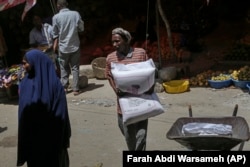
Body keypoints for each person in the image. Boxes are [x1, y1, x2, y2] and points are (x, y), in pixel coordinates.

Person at [17, 49, 71, 167]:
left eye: (25, 63)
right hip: (32, 142)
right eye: (23, 63)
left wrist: (51, 140)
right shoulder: (25, 83)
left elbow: (60, 116)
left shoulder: (55, 86)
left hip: (52, 142)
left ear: (36, 63)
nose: (23, 66)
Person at [105, 27, 154, 151]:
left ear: (126, 40)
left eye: (117, 41)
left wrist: (150, 87)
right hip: (123, 105)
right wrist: (116, 89)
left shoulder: (141, 53)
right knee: (129, 136)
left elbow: (150, 72)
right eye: (113, 42)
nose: (114, 45)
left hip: (142, 102)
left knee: (141, 135)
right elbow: (109, 76)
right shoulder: (111, 58)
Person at [52, 0, 84, 96]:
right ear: (67, 4)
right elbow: (81, 28)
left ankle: (64, 88)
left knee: (63, 67)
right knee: (75, 67)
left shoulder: (55, 17)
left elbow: (55, 33)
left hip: (63, 47)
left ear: (58, 6)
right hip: (75, 45)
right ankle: (76, 89)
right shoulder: (75, 14)